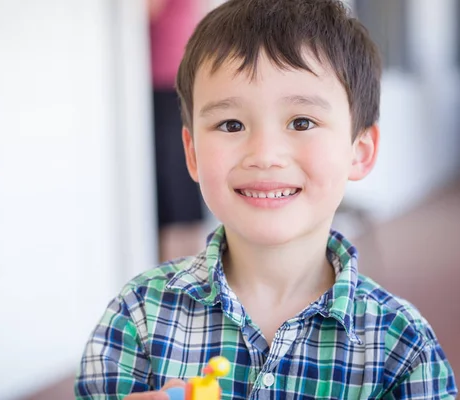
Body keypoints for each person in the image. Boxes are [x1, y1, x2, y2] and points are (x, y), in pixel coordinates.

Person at [75, 0, 458, 398]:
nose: (264, 154)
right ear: (192, 153)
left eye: (302, 122)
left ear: (359, 151)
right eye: (231, 124)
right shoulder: (137, 316)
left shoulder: (403, 345)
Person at [148, 0, 208, 262]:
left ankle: (180, 280)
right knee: (178, 185)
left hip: (167, 83)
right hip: (172, 80)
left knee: (175, 189)